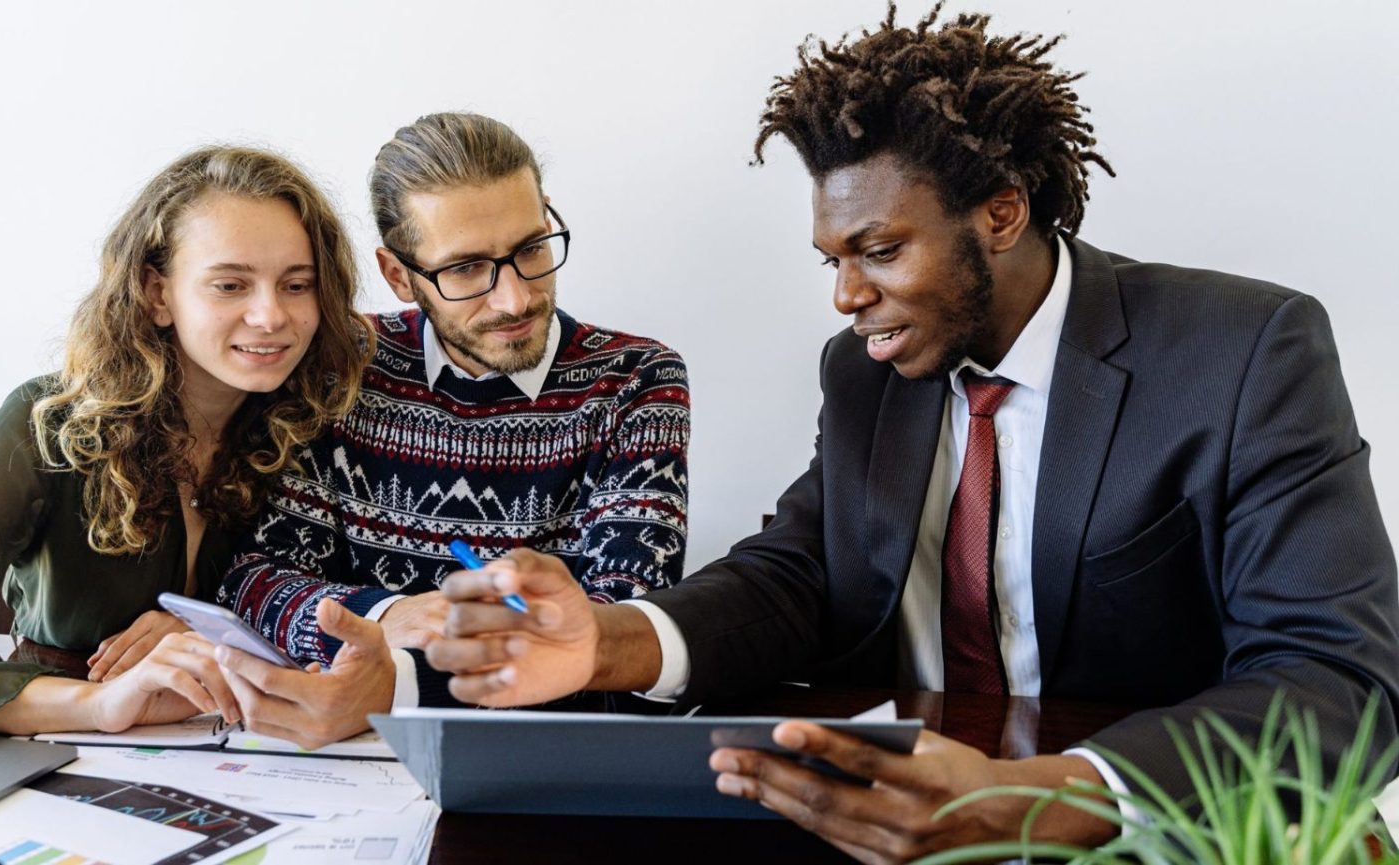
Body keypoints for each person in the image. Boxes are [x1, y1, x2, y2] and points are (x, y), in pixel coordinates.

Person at [423, 7, 1399, 861]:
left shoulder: (1243, 351)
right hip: (875, 820)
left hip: (1135, 830)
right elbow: (799, 571)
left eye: (880, 251)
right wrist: (613, 642)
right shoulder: (866, 371)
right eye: (834, 259)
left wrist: (1050, 797)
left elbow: (1340, 680)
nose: (848, 296)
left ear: (1003, 214)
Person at [0, 145, 375, 736]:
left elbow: (363, 609)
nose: (270, 316)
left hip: (268, 751)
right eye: (230, 285)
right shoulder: (49, 423)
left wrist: (222, 629)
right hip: (62, 747)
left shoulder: (322, 421)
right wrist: (99, 705)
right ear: (158, 295)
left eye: (296, 284)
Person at [215, 112, 690, 727]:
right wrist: (392, 615)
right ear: (399, 276)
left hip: (540, 757)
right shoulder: (340, 366)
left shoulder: (636, 380)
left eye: (531, 249)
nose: (515, 298)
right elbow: (252, 582)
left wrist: (394, 678)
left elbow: (623, 628)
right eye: (465, 269)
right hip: (350, 756)